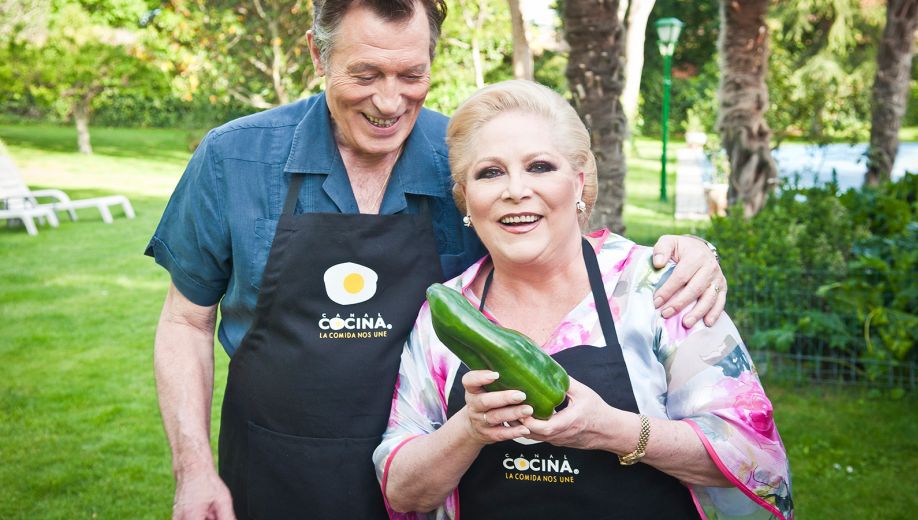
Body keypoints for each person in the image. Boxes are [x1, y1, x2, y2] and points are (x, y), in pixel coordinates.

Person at [146, 2, 727, 519]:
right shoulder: (235, 159)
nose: (388, 101)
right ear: (318, 57)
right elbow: (185, 321)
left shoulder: (470, 161)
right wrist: (193, 471)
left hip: (439, 476)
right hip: (276, 475)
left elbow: (555, 240)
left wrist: (685, 254)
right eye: (365, 75)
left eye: (412, 75)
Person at [374, 80, 793, 520]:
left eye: (539, 166)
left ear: (578, 183)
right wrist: (469, 428)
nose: (515, 190)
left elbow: (756, 458)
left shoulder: (661, 288)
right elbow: (402, 492)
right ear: (466, 198)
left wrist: (610, 430)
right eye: (490, 173)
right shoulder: (443, 316)